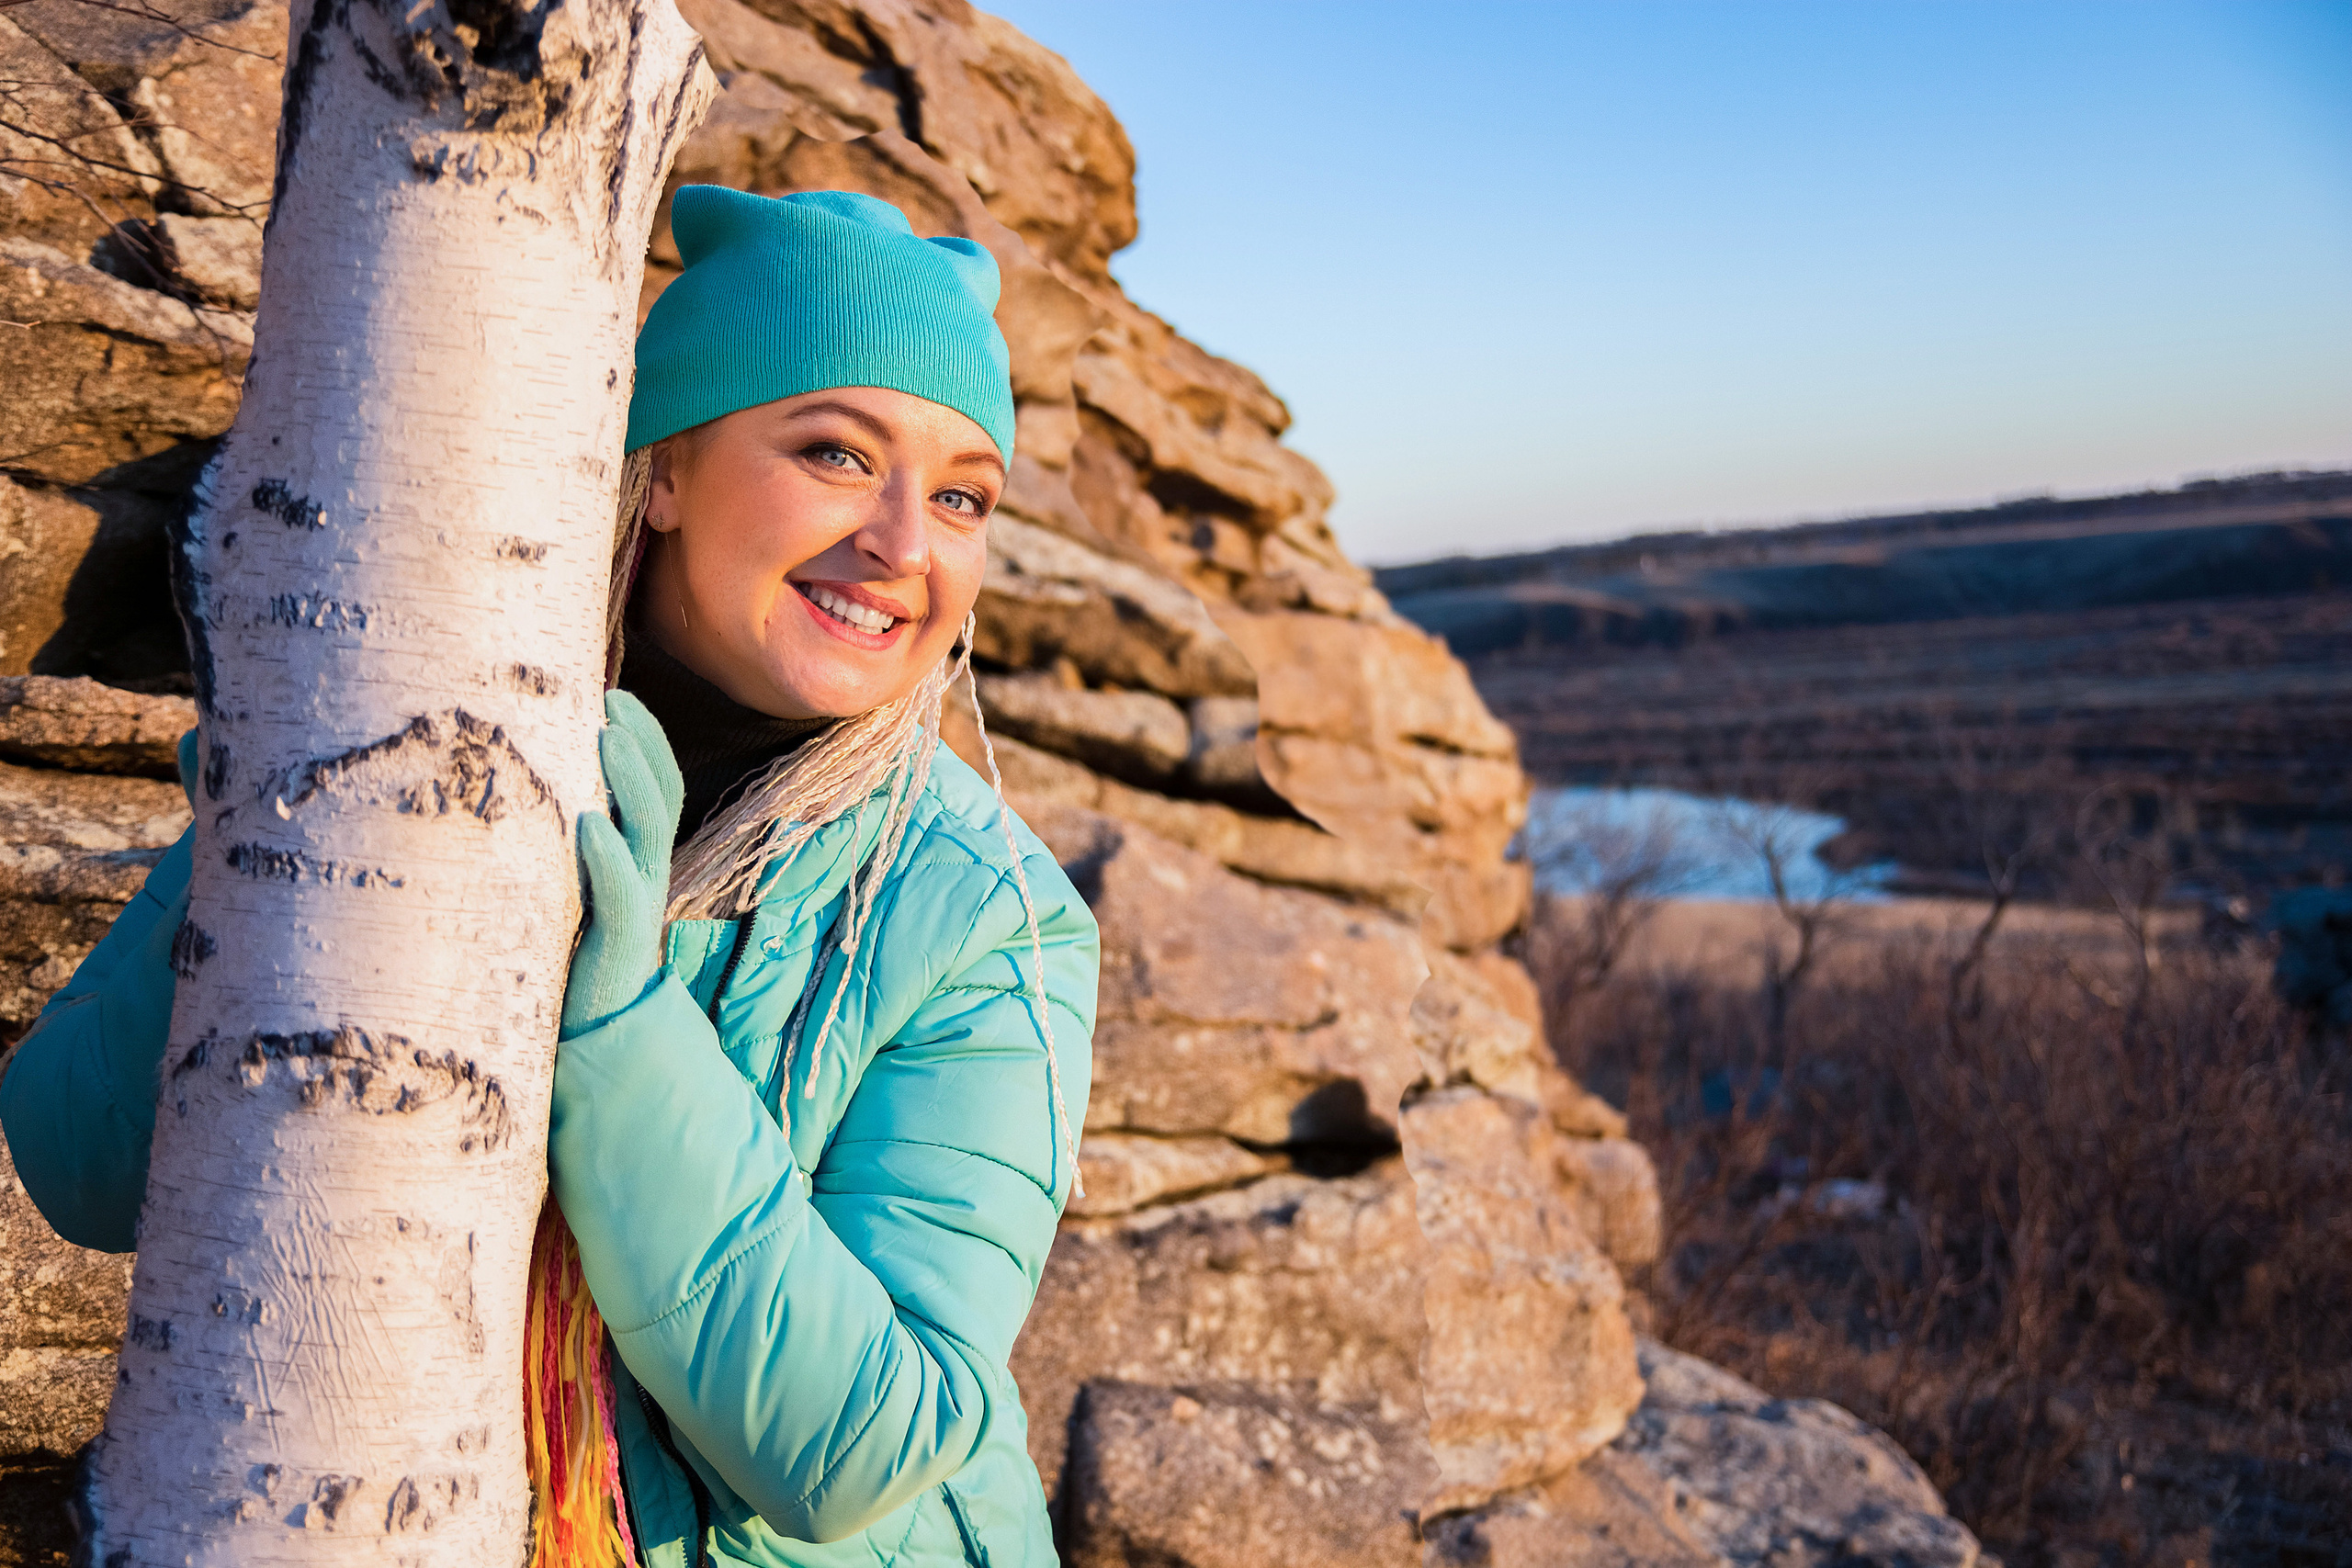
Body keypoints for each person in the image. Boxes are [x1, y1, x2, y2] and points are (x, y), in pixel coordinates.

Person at [0, 186, 1101, 1568]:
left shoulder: (986, 912)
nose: (905, 541)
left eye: (960, 496)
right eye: (833, 452)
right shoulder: (433, 728)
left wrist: (620, 1024)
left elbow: (863, 1449)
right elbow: (77, 1165)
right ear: (669, 468)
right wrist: (273, 822)